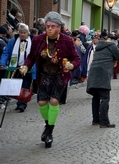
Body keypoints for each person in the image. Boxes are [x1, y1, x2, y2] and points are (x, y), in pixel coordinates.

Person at [19, 11, 81, 148]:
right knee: (41, 102)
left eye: (53, 26)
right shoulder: (38, 39)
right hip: (44, 74)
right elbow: (31, 57)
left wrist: (71, 65)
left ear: (59, 27)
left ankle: (49, 131)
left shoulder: (67, 40)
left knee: (53, 100)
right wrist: (25, 66)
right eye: (47, 26)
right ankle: (48, 125)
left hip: (60, 74)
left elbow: (76, 58)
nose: (50, 29)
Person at [86, 32, 119, 128]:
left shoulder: (98, 48)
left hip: (93, 73)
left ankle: (95, 120)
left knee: (95, 97)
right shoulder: (112, 46)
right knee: (104, 98)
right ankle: (104, 121)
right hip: (103, 73)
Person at [0, 23, 33, 112]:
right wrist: (2, 62)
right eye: (21, 32)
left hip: (28, 67)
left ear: (27, 33)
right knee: (16, 85)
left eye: (24, 33)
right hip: (16, 67)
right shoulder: (13, 41)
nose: (22, 34)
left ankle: (22, 104)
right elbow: (6, 52)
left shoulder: (32, 41)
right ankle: (19, 102)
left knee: (25, 85)